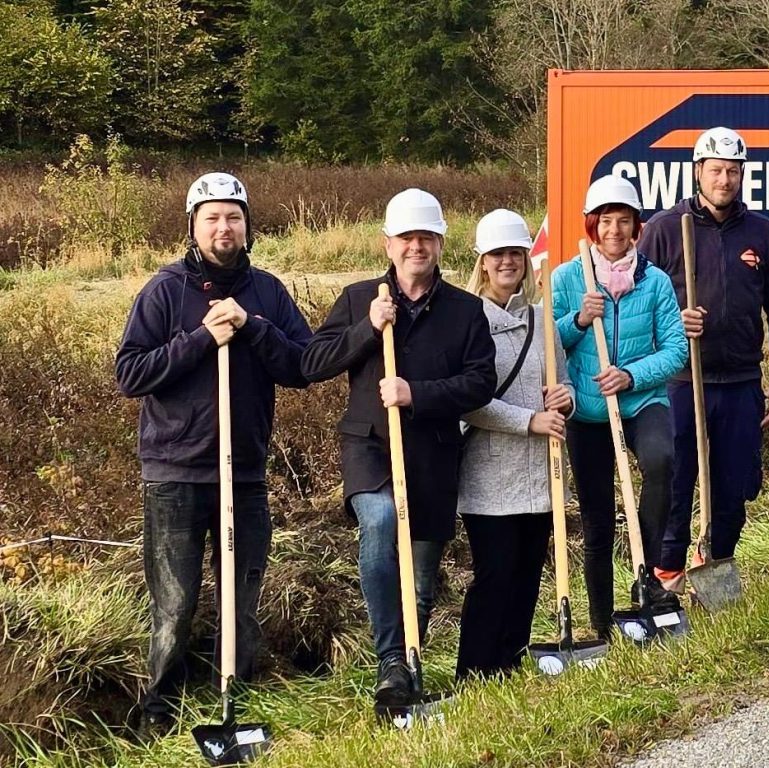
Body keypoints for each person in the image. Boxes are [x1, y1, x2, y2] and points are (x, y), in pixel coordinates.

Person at [115, 172, 312, 739]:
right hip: (175, 473)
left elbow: (300, 365)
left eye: (233, 217)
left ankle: (236, 696)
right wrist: (202, 337)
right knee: (175, 606)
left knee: (241, 598)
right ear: (194, 225)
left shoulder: (267, 292)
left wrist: (252, 327)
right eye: (212, 217)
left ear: (247, 226)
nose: (223, 227)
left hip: (244, 471)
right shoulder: (165, 290)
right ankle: (160, 708)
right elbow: (130, 373)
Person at [300, 188, 496, 705]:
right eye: (407, 237)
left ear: (439, 244)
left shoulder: (465, 311)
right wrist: (369, 328)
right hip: (369, 445)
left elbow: (480, 383)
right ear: (388, 244)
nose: (417, 246)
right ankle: (390, 658)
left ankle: (409, 664)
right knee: (382, 521)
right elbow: (313, 363)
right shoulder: (357, 298)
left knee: (423, 572)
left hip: (432, 452)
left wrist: (418, 394)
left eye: (427, 237)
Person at [636, 127, 769, 593]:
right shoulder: (666, 230)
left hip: (741, 379)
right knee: (677, 477)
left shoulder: (761, 233)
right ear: (697, 172)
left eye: (732, 171)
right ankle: (666, 572)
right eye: (715, 170)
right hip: (682, 380)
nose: (724, 179)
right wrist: (672, 321)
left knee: (735, 485)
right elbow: (636, 307)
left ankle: (718, 559)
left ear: (742, 174)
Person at [551, 174, 688, 640]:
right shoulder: (568, 278)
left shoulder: (655, 282)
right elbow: (547, 345)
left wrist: (631, 375)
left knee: (662, 460)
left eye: (623, 221)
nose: (614, 231)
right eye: (605, 221)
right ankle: (601, 622)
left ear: (636, 227)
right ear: (592, 226)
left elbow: (675, 350)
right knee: (596, 514)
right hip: (587, 412)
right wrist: (576, 320)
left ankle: (647, 575)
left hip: (640, 401)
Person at [455, 209, 575, 679]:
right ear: (483, 262)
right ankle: (474, 672)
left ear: (527, 259)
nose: (508, 262)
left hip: (541, 473)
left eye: (515, 254)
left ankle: (510, 664)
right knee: (495, 575)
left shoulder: (544, 321)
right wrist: (531, 421)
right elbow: (468, 402)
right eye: (498, 254)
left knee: (527, 575)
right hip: (490, 475)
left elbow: (560, 385)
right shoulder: (467, 323)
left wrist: (563, 400)